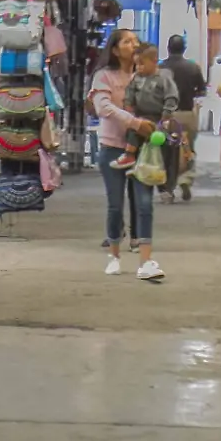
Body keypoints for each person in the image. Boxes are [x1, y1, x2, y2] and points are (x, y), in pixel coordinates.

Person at [86, 29, 164, 280]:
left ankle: (146, 261)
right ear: (116, 50)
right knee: (115, 205)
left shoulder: (149, 76)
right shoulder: (103, 76)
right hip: (112, 148)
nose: (134, 45)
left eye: (136, 41)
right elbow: (103, 107)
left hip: (143, 149)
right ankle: (114, 255)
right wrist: (134, 122)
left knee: (144, 204)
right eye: (127, 41)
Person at [108, 44, 177, 170]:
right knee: (132, 131)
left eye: (142, 64)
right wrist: (128, 105)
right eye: (136, 64)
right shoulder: (136, 77)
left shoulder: (164, 77)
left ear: (154, 61)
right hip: (139, 114)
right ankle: (133, 160)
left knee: (153, 142)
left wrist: (166, 115)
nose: (139, 68)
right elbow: (130, 92)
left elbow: (171, 97)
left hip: (158, 116)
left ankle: (132, 157)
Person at [161, 34, 207, 202]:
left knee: (167, 152)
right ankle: (186, 179)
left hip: (167, 115)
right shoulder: (193, 68)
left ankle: (168, 188)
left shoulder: (161, 68)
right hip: (187, 114)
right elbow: (202, 91)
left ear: (168, 48)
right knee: (188, 149)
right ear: (184, 49)